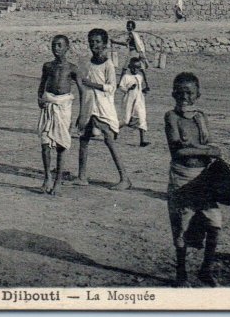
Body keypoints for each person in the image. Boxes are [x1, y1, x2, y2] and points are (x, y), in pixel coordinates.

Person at [165, 72, 223, 287]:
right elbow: (178, 151)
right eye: (179, 92)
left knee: (214, 223)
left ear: (198, 94)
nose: (184, 96)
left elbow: (209, 146)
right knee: (182, 226)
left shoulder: (201, 117)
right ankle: (181, 275)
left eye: (189, 92)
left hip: (203, 177)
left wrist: (202, 149)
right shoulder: (171, 116)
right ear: (173, 94)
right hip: (181, 178)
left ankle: (205, 270)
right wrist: (206, 150)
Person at [76, 28, 131, 190]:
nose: (95, 45)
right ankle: (82, 176)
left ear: (105, 44)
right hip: (89, 106)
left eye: (98, 42)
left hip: (103, 107)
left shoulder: (108, 65)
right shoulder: (86, 64)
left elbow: (112, 88)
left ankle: (125, 178)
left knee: (109, 139)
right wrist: (81, 112)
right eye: (92, 42)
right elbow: (83, 88)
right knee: (83, 139)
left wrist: (92, 84)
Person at [37, 35, 83, 196]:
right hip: (49, 105)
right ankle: (47, 177)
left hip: (64, 107)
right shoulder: (48, 66)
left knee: (61, 145)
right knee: (45, 143)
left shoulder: (72, 68)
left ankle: (58, 181)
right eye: (54, 45)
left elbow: (82, 91)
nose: (56, 48)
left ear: (67, 48)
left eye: (59, 45)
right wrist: (39, 99)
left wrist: (82, 115)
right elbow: (42, 85)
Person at [118, 57, 150, 147]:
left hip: (139, 100)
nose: (136, 70)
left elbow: (139, 89)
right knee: (126, 120)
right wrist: (128, 88)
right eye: (134, 67)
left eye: (138, 68)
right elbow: (121, 87)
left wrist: (144, 90)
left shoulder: (140, 77)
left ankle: (142, 141)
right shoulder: (126, 77)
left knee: (142, 118)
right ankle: (114, 129)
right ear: (130, 67)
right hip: (128, 100)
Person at [111, 20, 150, 91]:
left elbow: (126, 44)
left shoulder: (131, 34)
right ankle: (147, 85)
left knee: (124, 68)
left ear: (133, 28)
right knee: (141, 69)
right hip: (139, 52)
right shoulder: (135, 34)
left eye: (130, 27)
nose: (128, 28)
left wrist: (115, 42)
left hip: (133, 53)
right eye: (128, 26)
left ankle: (120, 84)